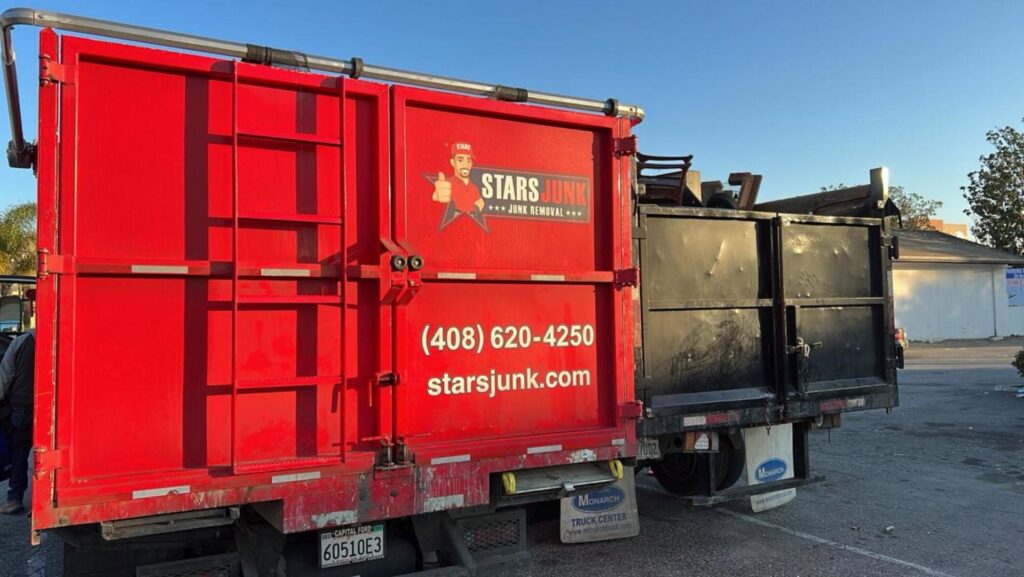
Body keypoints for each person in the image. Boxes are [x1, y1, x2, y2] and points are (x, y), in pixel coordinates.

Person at [0, 329, 34, 515]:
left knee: (19, 453)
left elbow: (4, 378)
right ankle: (42, 501)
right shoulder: (62, 338)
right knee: (47, 454)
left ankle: (14, 499)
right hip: (54, 407)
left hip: (23, 407)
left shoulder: (21, 342)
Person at [432, 142, 485, 214]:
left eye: (469, 161)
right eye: (460, 160)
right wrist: (438, 196)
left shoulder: (473, 187)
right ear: (453, 162)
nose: (465, 165)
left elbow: (481, 201)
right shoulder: (448, 184)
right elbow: (437, 195)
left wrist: (475, 210)